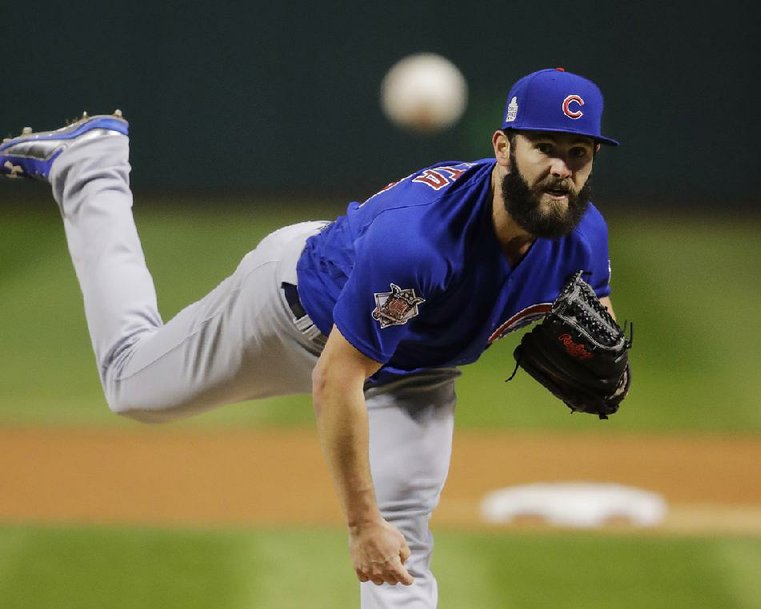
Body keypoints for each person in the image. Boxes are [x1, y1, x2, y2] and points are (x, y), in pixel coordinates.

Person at [1, 67, 621, 608]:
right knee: (130, 387)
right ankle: (93, 169)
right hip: (291, 315)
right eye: (545, 147)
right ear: (503, 147)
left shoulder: (584, 232)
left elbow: (597, 309)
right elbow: (338, 377)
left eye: (579, 153)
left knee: (402, 542)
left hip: (416, 371)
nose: (562, 170)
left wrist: (605, 352)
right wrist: (359, 524)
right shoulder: (418, 244)